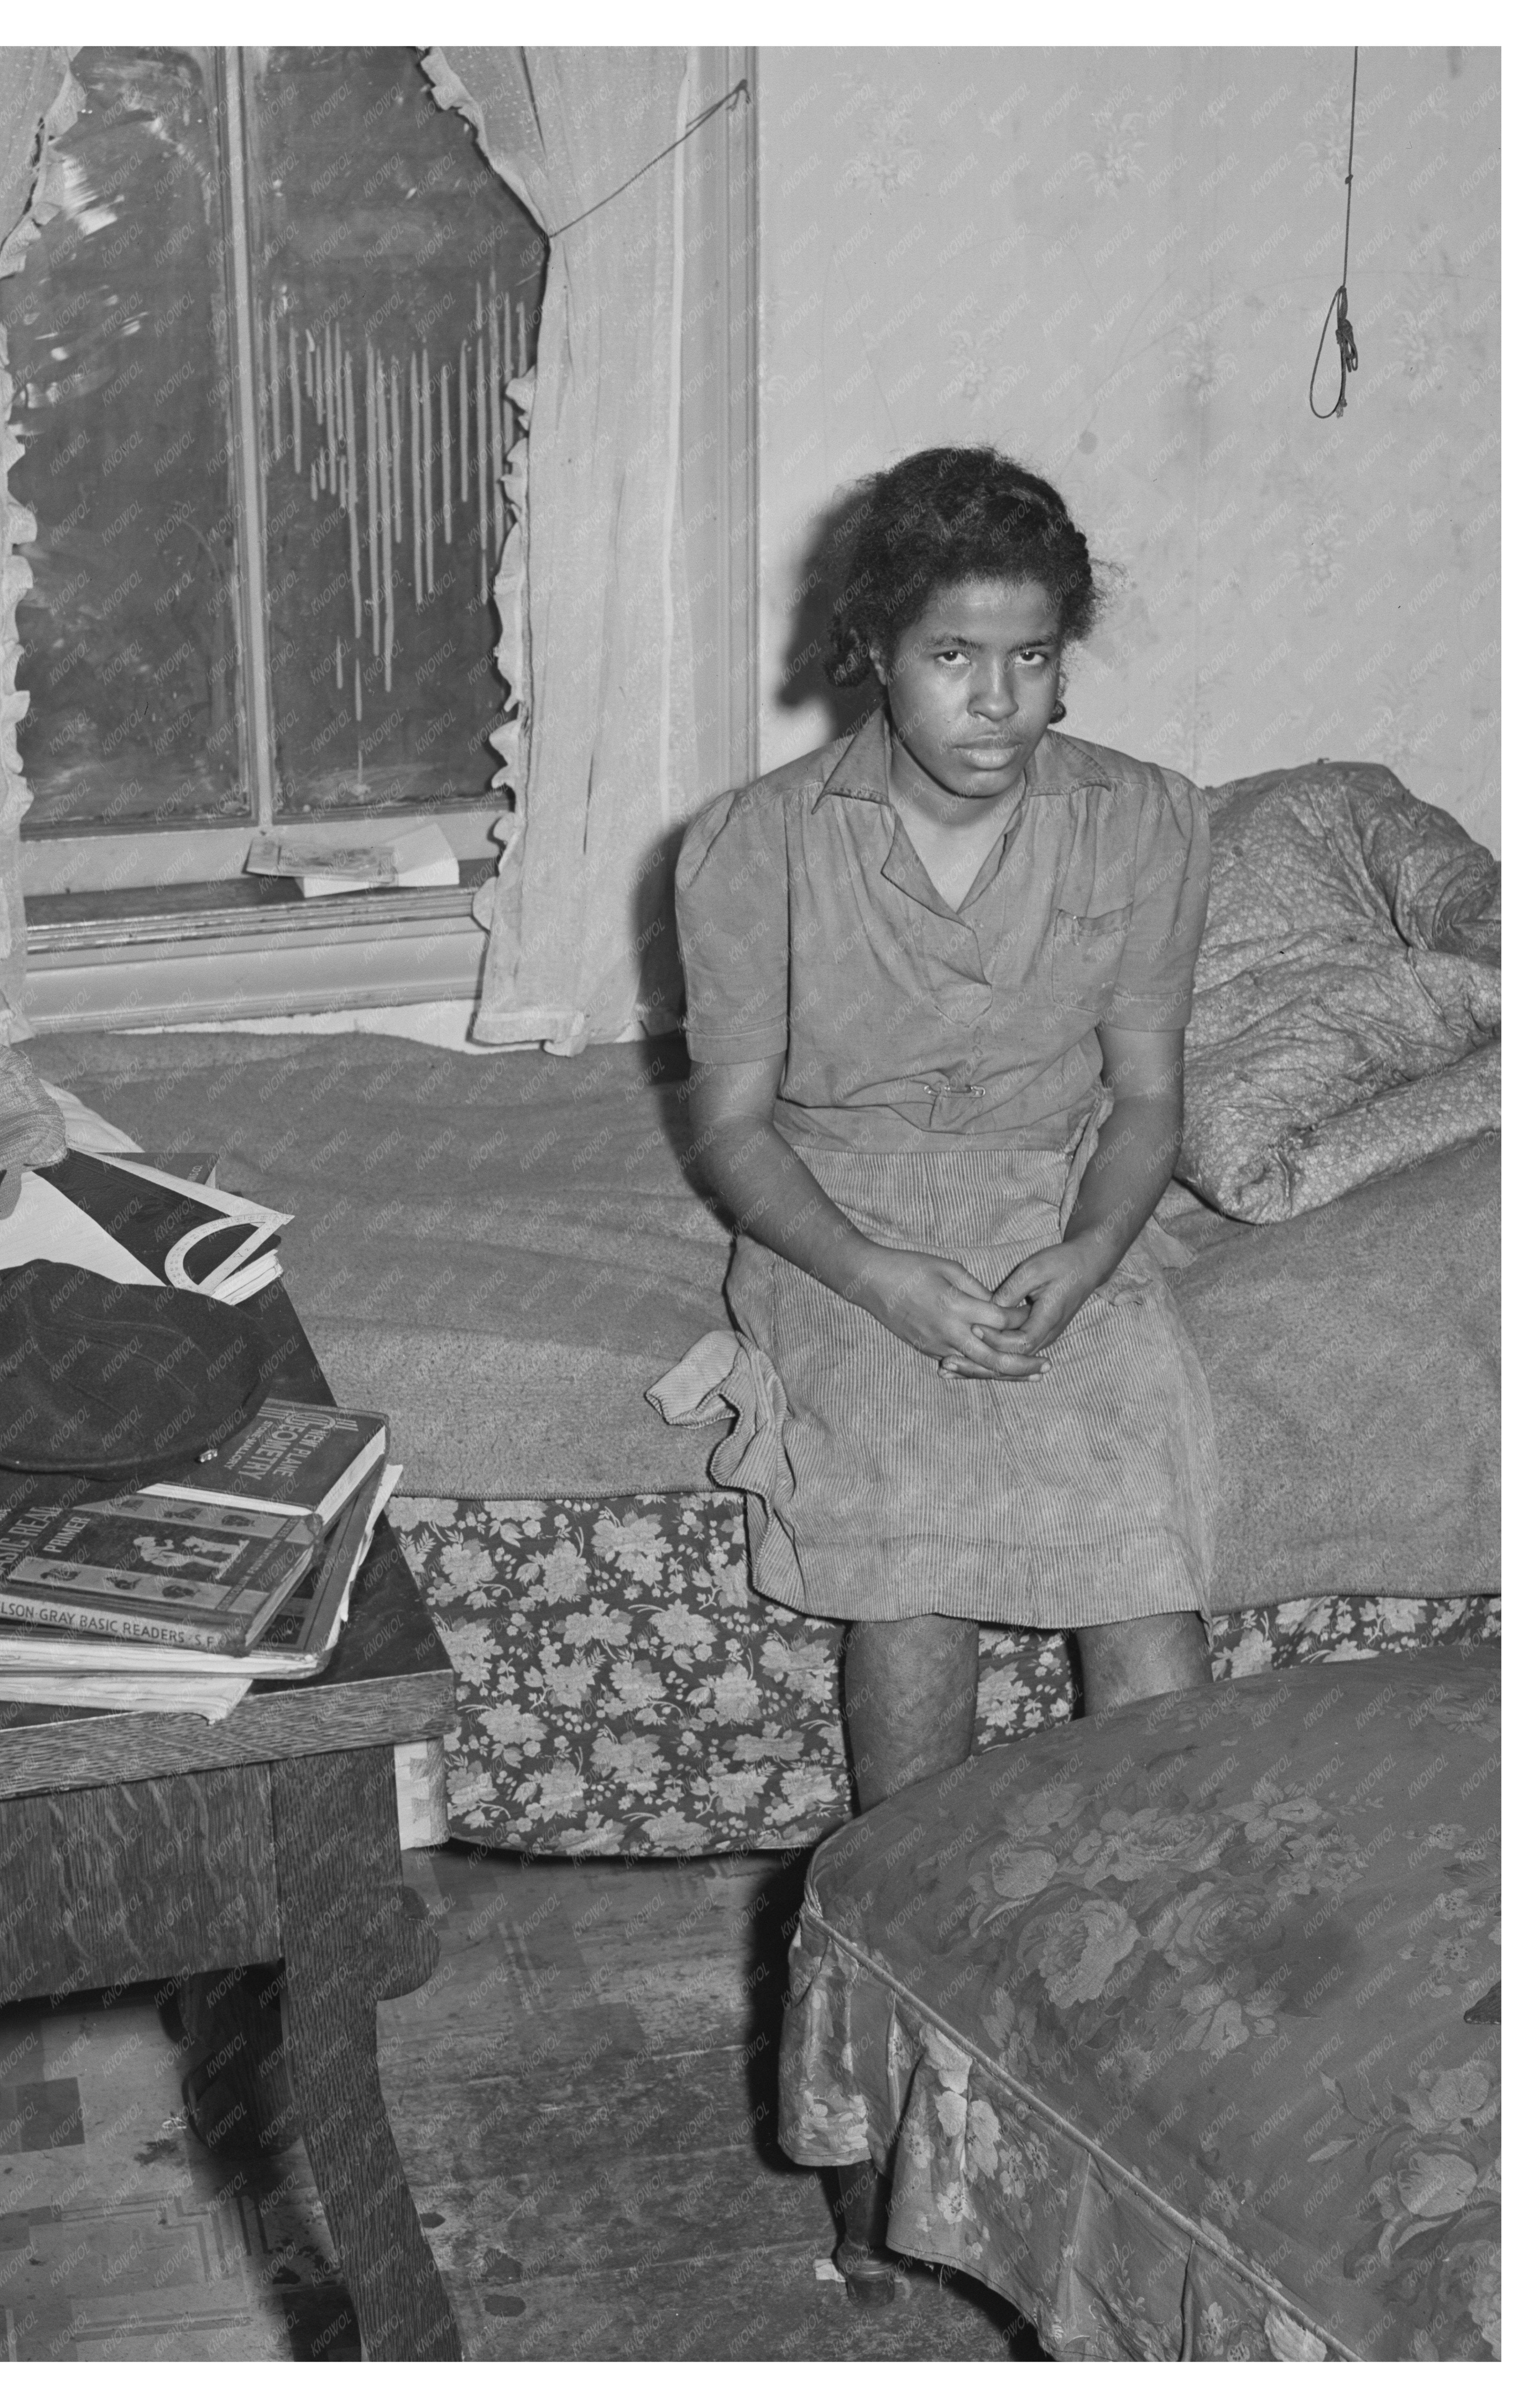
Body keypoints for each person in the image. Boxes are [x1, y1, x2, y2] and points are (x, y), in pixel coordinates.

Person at [671, 445, 1219, 2294]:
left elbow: (1147, 1102)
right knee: (908, 1552)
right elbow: (734, 1129)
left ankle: (1150, 2038)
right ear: (872, 654)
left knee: (1142, 1558)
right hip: (837, 1219)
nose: (999, 703)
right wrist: (879, 1281)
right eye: (953, 659)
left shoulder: (1147, 822)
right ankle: (894, 2083)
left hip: (1063, 1207)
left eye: (1034, 658)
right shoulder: (751, 846)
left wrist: (1090, 1252)